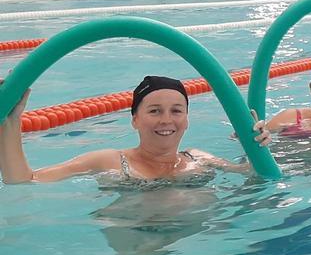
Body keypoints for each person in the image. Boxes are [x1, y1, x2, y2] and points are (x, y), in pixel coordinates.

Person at [0, 75, 271, 184]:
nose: (166, 120)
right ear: (135, 120)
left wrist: (255, 144)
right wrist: (10, 122)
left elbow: (258, 179)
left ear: (187, 120)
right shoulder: (110, 160)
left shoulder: (199, 159)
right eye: (154, 111)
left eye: (176, 111)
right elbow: (25, 181)